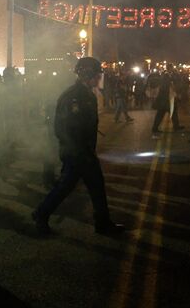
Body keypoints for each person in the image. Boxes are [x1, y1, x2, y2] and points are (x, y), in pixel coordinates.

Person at [32, 57, 124, 235]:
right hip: (77, 153)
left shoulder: (86, 94)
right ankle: (41, 213)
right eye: (96, 75)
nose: (99, 79)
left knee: (91, 187)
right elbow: (63, 128)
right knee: (67, 187)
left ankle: (102, 223)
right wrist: (77, 151)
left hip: (84, 152)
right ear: (87, 75)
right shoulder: (74, 96)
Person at [151, 73, 182, 138]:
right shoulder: (167, 84)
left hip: (163, 103)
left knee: (159, 116)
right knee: (173, 114)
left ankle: (155, 128)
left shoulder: (162, 84)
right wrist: (177, 97)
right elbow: (171, 93)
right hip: (166, 102)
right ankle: (176, 126)